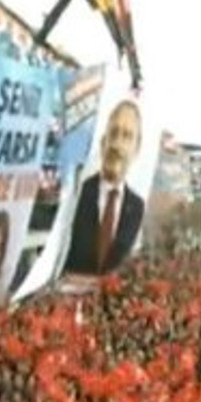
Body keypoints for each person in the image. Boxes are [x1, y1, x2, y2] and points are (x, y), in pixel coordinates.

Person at [61, 100, 146, 278]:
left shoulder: (137, 207)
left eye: (127, 136)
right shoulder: (76, 193)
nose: (117, 144)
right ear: (102, 142)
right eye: (113, 133)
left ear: (136, 149)